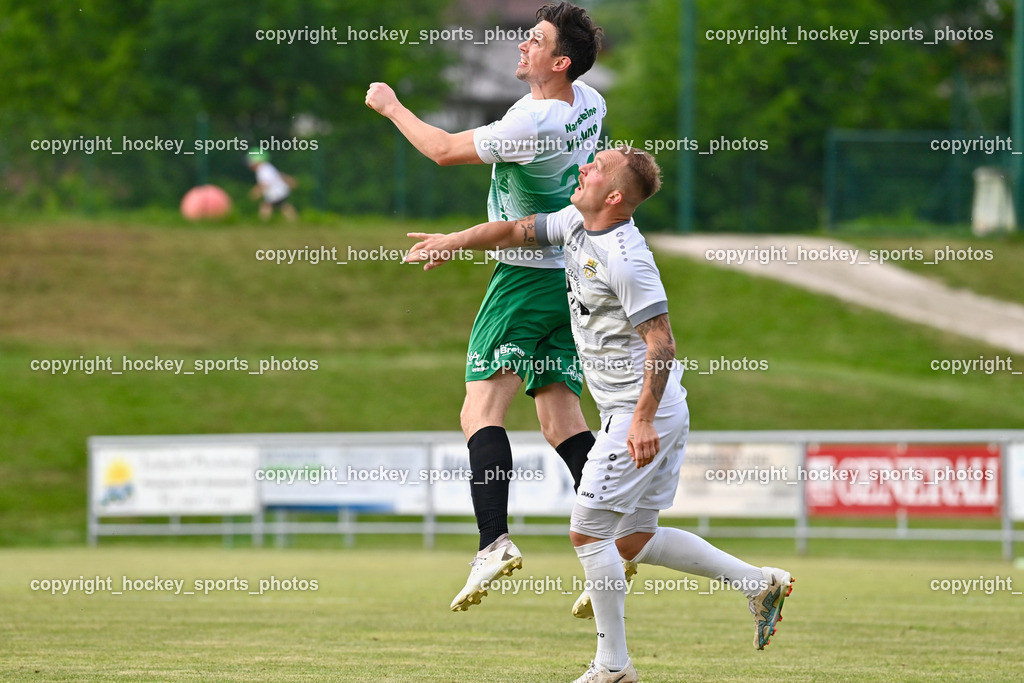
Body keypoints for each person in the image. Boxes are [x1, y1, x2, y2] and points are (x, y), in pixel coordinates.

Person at [405, 148, 794, 683]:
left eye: (596, 167)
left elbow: (662, 344)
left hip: (641, 412)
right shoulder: (574, 222)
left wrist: (641, 420)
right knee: (632, 540)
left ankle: (612, 666)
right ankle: (758, 583)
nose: (583, 167)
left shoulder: (626, 258)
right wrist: (453, 241)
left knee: (588, 533)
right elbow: (513, 231)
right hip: (657, 411)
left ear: (613, 196)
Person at [365, 2, 607, 612]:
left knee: (480, 410)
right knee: (562, 421)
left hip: (525, 276)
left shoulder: (531, 122)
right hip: (572, 275)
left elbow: (443, 149)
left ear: (561, 62)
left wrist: (391, 107)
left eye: (536, 40)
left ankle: (493, 541)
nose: (523, 45)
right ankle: (613, 541)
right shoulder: (592, 102)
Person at [246, 152, 297, 221]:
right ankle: (294, 221)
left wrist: (256, 192)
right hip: (280, 190)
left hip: (275, 192)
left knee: (266, 206)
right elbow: (278, 174)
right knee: (283, 206)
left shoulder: (262, 170)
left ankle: (264, 222)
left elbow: (264, 183)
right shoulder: (267, 166)